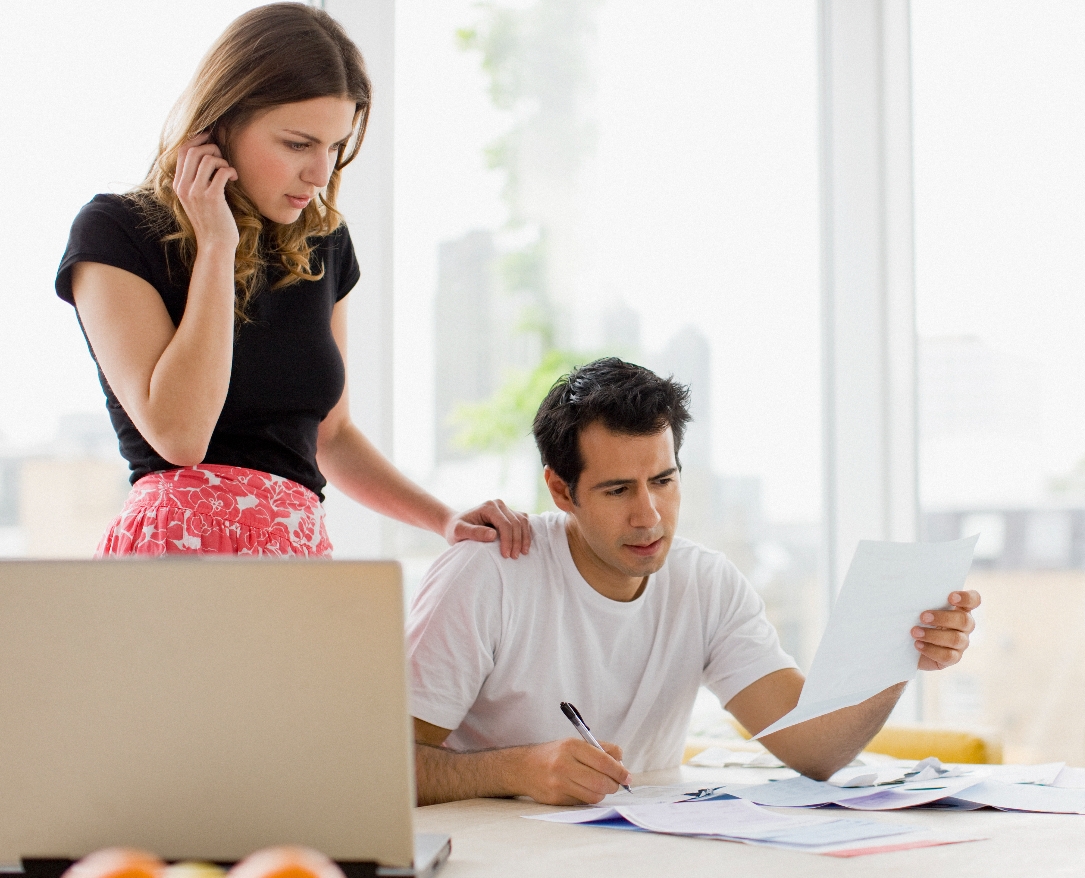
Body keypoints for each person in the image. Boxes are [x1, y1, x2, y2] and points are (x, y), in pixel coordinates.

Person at [55, 4, 529, 558]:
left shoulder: (324, 244)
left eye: (335, 147)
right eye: (298, 144)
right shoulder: (115, 231)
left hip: (296, 553)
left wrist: (444, 519)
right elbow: (180, 437)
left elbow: (333, 435)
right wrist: (216, 246)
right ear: (221, 123)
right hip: (176, 550)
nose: (320, 173)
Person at [405, 358, 980, 806]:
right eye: (617, 490)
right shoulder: (488, 572)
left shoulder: (705, 584)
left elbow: (815, 748)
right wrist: (515, 769)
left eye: (663, 479)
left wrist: (902, 653)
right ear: (561, 491)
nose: (649, 515)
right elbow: (380, 767)